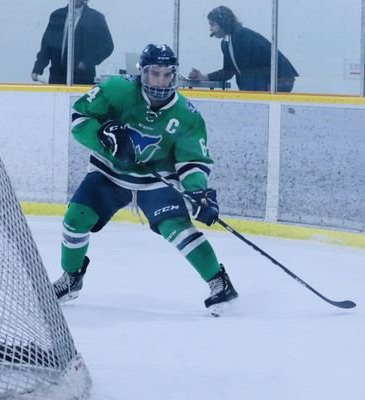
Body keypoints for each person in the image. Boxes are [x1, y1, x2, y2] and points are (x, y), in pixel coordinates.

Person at [52, 44, 238, 316]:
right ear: (142, 72)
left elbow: (192, 161)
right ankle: (71, 278)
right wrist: (105, 139)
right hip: (109, 174)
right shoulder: (117, 90)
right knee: (75, 220)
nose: (161, 80)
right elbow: (80, 119)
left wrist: (198, 192)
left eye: (167, 74)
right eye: (154, 73)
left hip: (156, 182)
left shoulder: (187, 115)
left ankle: (219, 282)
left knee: (179, 229)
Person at [189, 5, 299, 92]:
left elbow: (249, 72)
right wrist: (204, 77)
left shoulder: (241, 37)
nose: (210, 29)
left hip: (281, 78)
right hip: (272, 78)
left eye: (212, 25)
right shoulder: (227, 42)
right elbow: (228, 71)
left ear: (222, 23)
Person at [31, 0, 114, 84]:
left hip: (83, 78)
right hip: (57, 77)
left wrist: (86, 62)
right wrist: (38, 68)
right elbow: (46, 45)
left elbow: (107, 46)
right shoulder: (57, 15)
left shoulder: (96, 18)